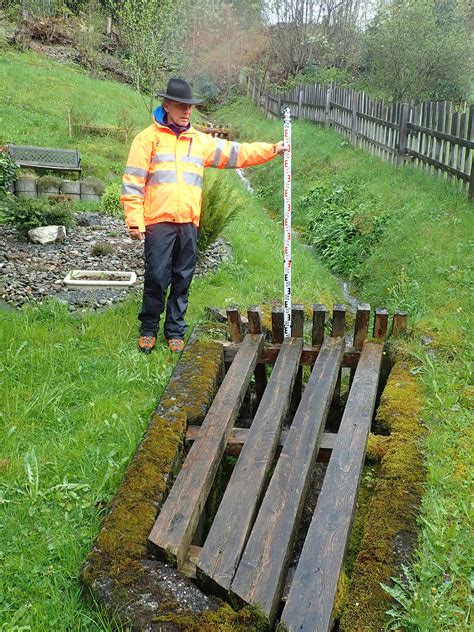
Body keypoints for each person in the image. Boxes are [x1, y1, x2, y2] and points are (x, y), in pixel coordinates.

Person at [121, 77, 285, 354]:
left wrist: (272, 150)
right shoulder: (146, 139)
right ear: (167, 105)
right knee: (157, 278)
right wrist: (135, 219)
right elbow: (132, 183)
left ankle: (175, 330)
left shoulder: (199, 142)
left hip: (188, 223)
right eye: (181, 106)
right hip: (158, 222)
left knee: (183, 278)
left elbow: (237, 153)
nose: (187, 111)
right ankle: (148, 327)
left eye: (190, 107)